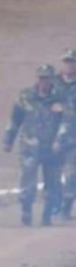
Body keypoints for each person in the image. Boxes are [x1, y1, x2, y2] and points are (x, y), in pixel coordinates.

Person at [3, 64, 70, 226]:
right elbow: (15, 119)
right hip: (29, 146)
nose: (43, 82)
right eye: (41, 78)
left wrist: (59, 141)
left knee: (53, 183)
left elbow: (67, 121)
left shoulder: (61, 97)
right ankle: (26, 211)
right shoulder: (25, 96)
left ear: (52, 79)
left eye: (46, 78)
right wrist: (8, 140)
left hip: (52, 148)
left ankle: (47, 214)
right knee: (27, 181)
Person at [57, 49, 76, 219]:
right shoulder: (52, 83)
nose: (69, 65)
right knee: (53, 173)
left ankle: (66, 208)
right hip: (51, 137)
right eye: (66, 61)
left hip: (73, 138)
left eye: (72, 62)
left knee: (71, 173)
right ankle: (52, 207)